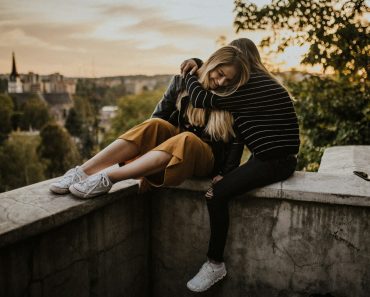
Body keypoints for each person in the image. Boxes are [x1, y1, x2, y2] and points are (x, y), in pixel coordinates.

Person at [49, 45, 249, 200]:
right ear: (212, 64)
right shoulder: (183, 81)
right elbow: (158, 116)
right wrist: (145, 162)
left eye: (228, 80)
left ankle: (108, 179)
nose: (222, 83)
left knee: (187, 139)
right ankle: (82, 172)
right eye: (220, 74)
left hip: (206, 157)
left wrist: (226, 174)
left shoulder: (231, 97)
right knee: (155, 125)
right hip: (173, 144)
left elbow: (237, 141)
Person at [182, 38, 300, 292]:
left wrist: (190, 72)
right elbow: (239, 136)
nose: (226, 81)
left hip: (275, 162)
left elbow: (201, 98)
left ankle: (215, 264)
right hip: (270, 159)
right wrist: (229, 172)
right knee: (222, 185)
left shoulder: (248, 86)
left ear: (242, 62)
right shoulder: (256, 85)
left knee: (216, 196)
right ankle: (214, 264)